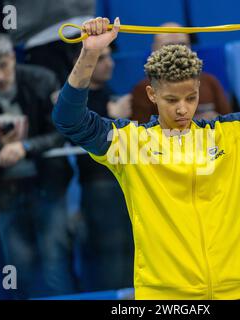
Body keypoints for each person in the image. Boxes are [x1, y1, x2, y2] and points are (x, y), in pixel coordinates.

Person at [53, 5, 240, 299]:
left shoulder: (235, 134)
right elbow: (68, 119)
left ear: (199, 88)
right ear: (152, 94)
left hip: (238, 291)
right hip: (165, 297)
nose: (182, 108)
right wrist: (90, 54)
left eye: (191, 97)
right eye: (171, 99)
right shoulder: (130, 143)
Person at [0, 33, 75, 298]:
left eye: (3, 66)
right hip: (5, 191)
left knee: (55, 262)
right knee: (20, 267)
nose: (0, 76)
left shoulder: (42, 79)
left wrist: (25, 147)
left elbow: (61, 132)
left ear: (12, 58)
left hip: (49, 186)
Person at [72, 45, 134, 291]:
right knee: (110, 251)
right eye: (101, 59)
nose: (110, 63)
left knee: (130, 246)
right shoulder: (78, 99)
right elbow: (73, 132)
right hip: (99, 185)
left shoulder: (109, 91)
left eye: (110, 57)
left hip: (123, 182)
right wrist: (112, 119)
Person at [131, 22, 233, 123]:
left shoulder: (210, 82)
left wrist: (215, 123)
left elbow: (229, 125)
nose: (177, 51)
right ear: (154, 49)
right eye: (169, 45)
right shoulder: (142, 89)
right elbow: (141, 134)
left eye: (183, 44)